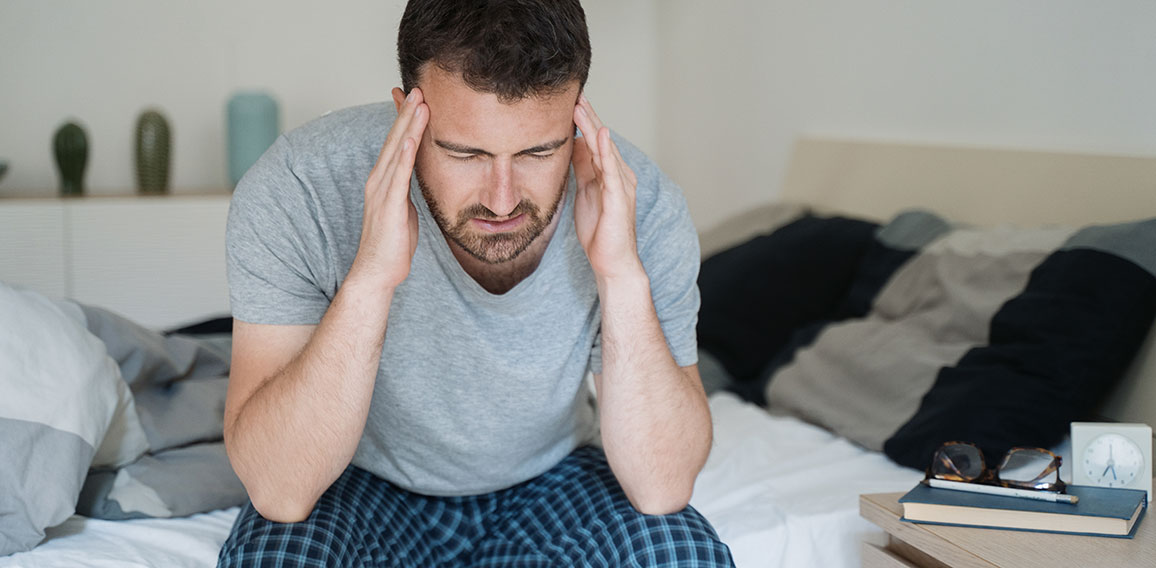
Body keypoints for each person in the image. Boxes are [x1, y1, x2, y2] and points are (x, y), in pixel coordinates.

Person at [217, 0, 733, 565]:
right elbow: (279, 490)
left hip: (550, 478)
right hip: (357, 479)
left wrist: (620, 276)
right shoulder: (299, 188)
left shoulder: (644, 205)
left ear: (578, 119)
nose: (502, 199)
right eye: (465, 152)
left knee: (683, 557)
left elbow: (662, 487)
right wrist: (370, 279)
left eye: (540, 150)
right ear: (406, 114)